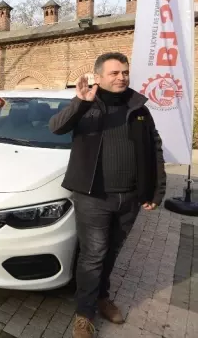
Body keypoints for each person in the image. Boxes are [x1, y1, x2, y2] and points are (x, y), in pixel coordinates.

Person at [48, 52, 166, 338]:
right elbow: (56, 127)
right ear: (98, 76)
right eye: (114, 73)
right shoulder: (87, 105)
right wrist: (80, 101)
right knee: (93, 255)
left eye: (124, 72)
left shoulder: (138, 108)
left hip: (129, 198)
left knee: (112, 252)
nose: (121, 77)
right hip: (93, 198)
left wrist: (156, 190)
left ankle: (102, 298)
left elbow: (155, 147)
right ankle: (84, 314)